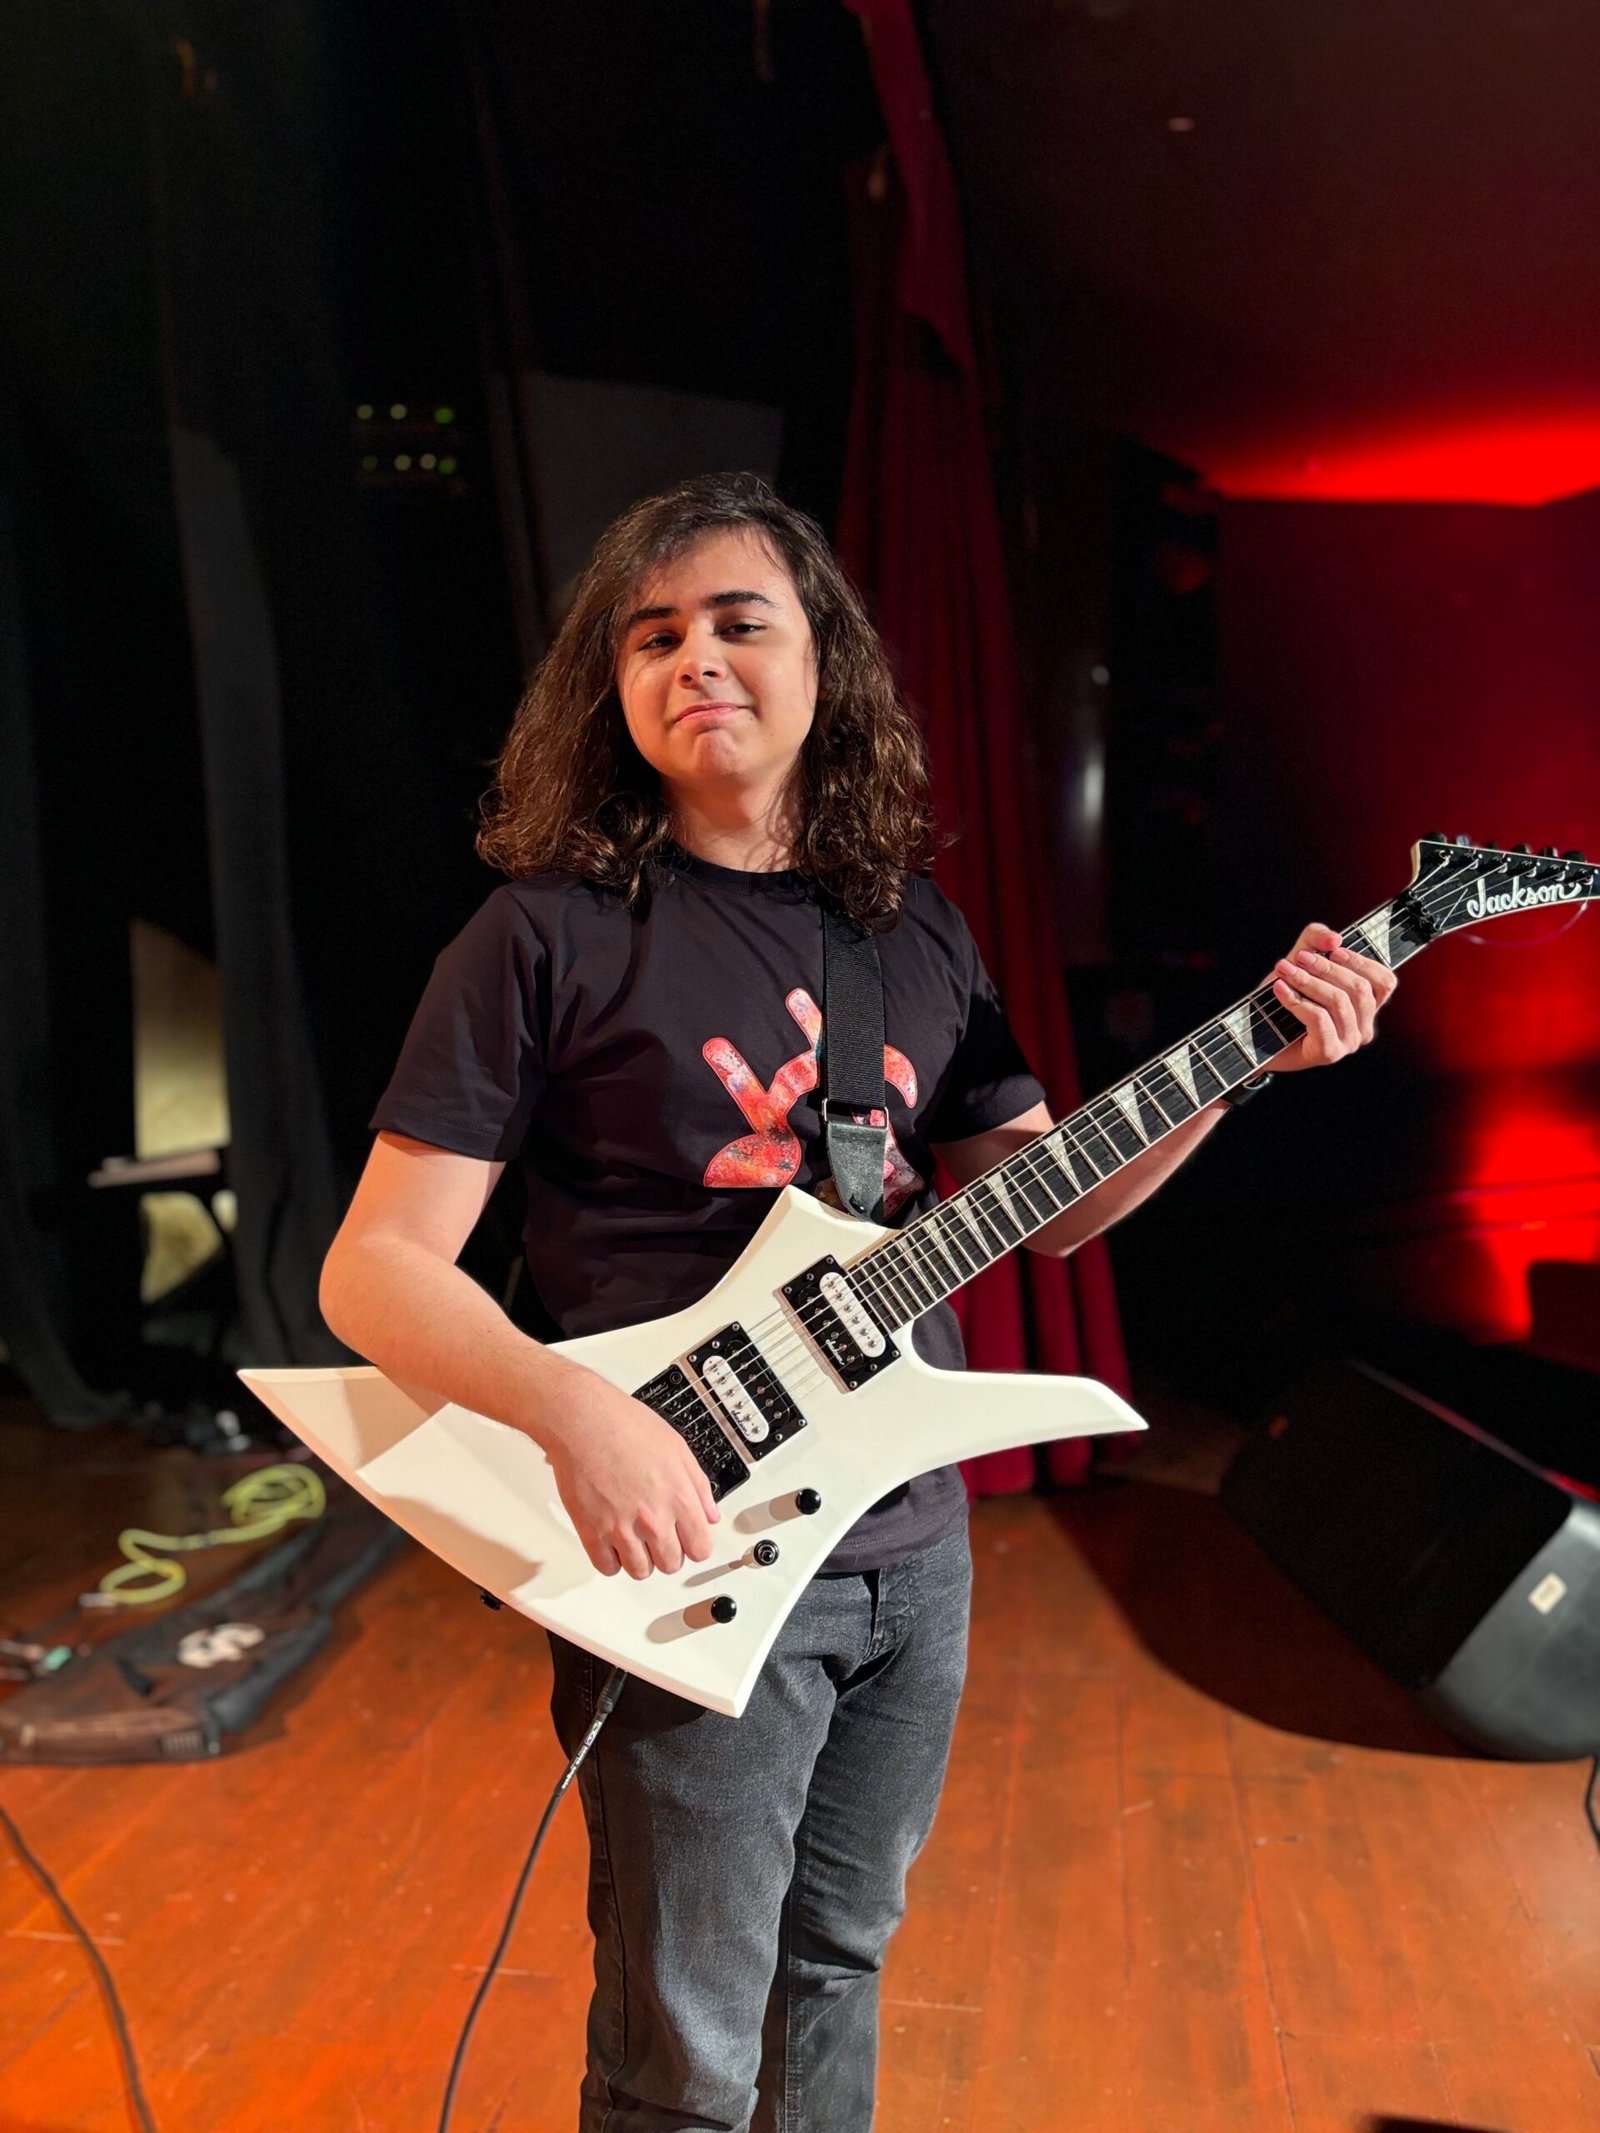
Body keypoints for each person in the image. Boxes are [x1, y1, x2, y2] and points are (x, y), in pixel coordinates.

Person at [318, 472, 1395, 2132]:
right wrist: (576, 1416)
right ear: (609, 688)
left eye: (739, 621)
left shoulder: (910, 933)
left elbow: (1055, 1203)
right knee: (685, 2044)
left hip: (906, 1546)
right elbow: (374, 1268)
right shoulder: (541, 938)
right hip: (684, 1544)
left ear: (826, 661)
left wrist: (1251, 1056)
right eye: (652, 635)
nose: (696, 657)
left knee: (839, 1960)